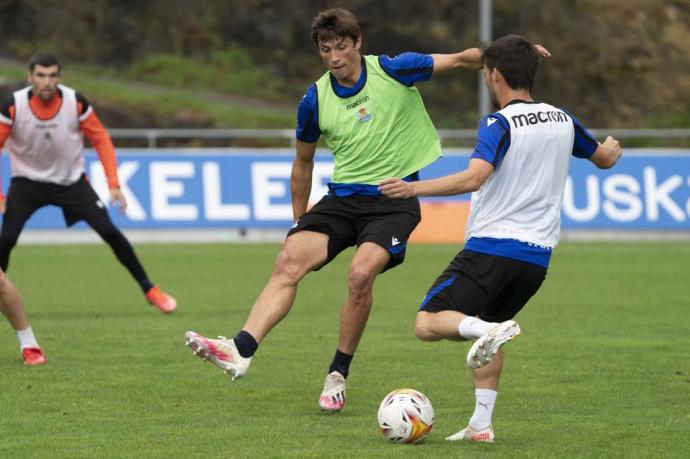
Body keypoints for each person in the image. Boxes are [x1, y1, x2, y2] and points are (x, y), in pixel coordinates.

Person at [184, 8, 541, 412]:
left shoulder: (394, 70)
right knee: (288, 261)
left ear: (357, 44)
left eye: (341, 47)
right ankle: (241, 349)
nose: (335, 57)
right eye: (325, 50)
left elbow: (461, 59)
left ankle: (338, 374)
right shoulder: (314, 99)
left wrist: (515, 53)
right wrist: (299, 221)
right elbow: (302, 164)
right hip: (342, 200)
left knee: (360, 273)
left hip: (393, 200)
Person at [378, 34, 622, 442]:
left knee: (426, 322)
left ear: (493, 76)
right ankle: (480, 425)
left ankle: (486, 334)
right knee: (487, 328)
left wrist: (412, 189)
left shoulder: (498, 123)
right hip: (537, 260)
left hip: (492, 248)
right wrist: (611, 150)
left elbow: (475, 176)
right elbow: (603, 158)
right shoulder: (563, 119)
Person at [0, 54, 177, 362]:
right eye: (41, 75)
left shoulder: (75, 103)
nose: (47, 81)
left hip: (71, 183)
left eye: (53, 75)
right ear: (30, 77)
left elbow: (102, 139)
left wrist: (113, 183)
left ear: (60, 77)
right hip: (27, 183)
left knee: (110, 231)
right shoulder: (13, 106)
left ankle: (150, 290)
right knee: (6, 240)